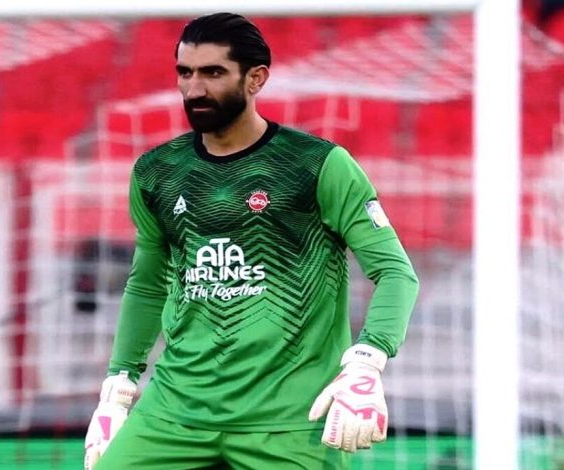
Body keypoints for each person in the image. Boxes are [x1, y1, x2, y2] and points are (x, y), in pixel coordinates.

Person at [83, 12, 419, 469]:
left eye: (213, 73)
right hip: (173, 415)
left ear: (256, 78)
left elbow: (396, 273)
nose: (194, 89)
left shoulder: (317, 165)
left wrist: (366, 362)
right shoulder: (156, 171)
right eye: (185, 73)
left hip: (290, 423)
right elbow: (146, 285)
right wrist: (117, 390)